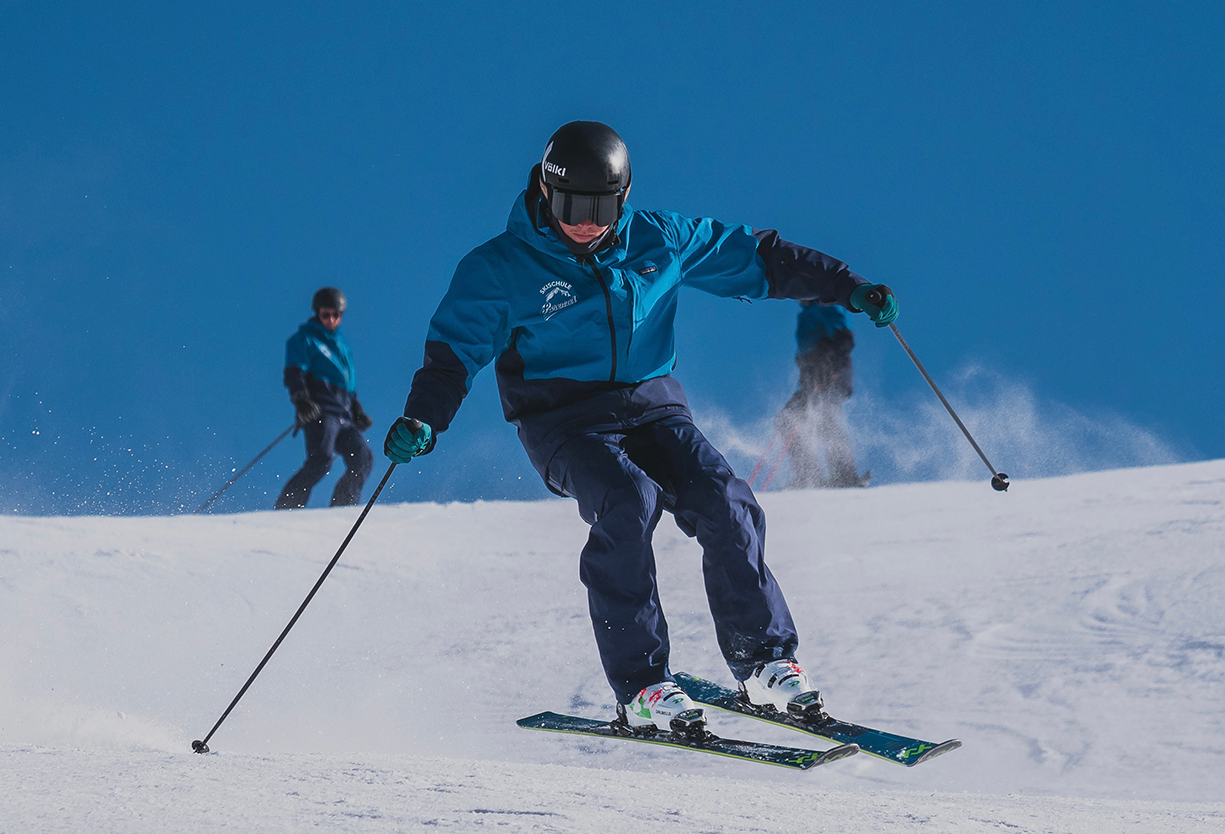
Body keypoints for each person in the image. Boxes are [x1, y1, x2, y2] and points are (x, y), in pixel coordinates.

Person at [381, 122, 898, 735]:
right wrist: (423, 417)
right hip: (562, 420)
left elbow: (756, 257)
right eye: (569, 205)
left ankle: (764, 663)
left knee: (727, 501)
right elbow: (452, 355)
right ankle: (642, 686)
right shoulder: (499, 268)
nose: (584, 222)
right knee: (628, 501)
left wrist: (847, 287)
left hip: (654, 408)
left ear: (623, 197)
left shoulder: (659, 238)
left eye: (600, 208)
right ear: (545, 191)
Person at [275, 287, 375, 509]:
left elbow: (347, 382)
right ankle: (286, 508)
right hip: (322, 411)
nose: (331, 320)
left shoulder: (342, 345)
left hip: (345, 415)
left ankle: (342, 508)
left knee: (363, 458)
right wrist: (301, 399)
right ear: (317, 313)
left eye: (335, 315)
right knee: (321, 460)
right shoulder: (305, 339)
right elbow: (294, 371)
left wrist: (356, 410)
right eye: (325, 315)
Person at [773, 300, 868, 489]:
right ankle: (808, 475)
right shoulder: (806, 313)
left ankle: (845, 475)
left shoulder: (826, 304)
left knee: (825, 418)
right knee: (786, 419)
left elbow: (844, 339)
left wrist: (831, 366)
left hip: (831, 375)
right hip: (813, 380)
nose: (798, 296)